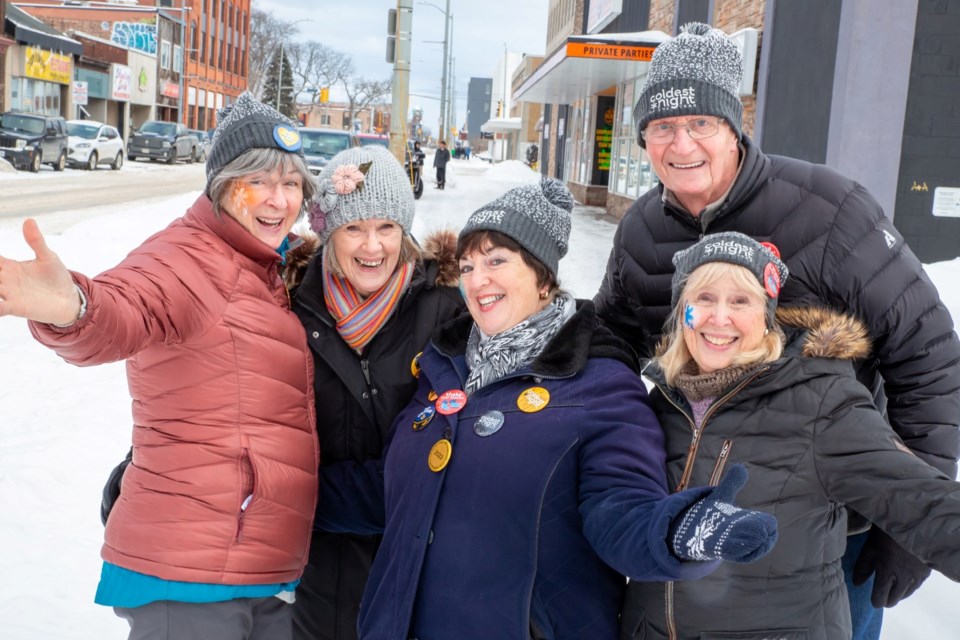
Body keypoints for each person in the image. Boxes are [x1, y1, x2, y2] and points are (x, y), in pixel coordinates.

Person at [593, 23, 960, 638]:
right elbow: (613, 340)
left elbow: (925, 348)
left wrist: (908, 523)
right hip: (690, 522)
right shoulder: (641, 230)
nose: (681, 144)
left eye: (700, 124)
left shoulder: (830, 209)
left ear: (734, 127)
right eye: (661, 127)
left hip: (829, 528)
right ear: (643, 139)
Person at [340, 179, 778, 639]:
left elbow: (620, 509)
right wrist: (282, 494)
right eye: (467, 266)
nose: (476, 279)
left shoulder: (600, 384)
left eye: (496, 261)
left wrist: (682, 532)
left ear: (544, 277)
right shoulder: (443, 366)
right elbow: (393, 487)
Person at [0, 92, 320, 639]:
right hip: (190, 568)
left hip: (253, 568)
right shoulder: (186, 258)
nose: (278, 199)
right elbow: (125, 309)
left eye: (291, 184)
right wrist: (72, 308)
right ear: (221, 184)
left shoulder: (263, 269)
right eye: (259, 181)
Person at [622, 231, 960, 639]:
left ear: (766, 316)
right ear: (682, 312)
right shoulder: (662, 401)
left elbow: (922, 500)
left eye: (741, 301)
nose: (719, 317)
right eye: (704, 298)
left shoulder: (820, 400)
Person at [283, 144, 464, 640]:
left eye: (386, 227)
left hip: (412, 556)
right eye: (353, 228)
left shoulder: (447, 311)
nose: (372, 246)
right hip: (315, 564)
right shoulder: (291, 307)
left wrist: (306, 497)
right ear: (327, 234)